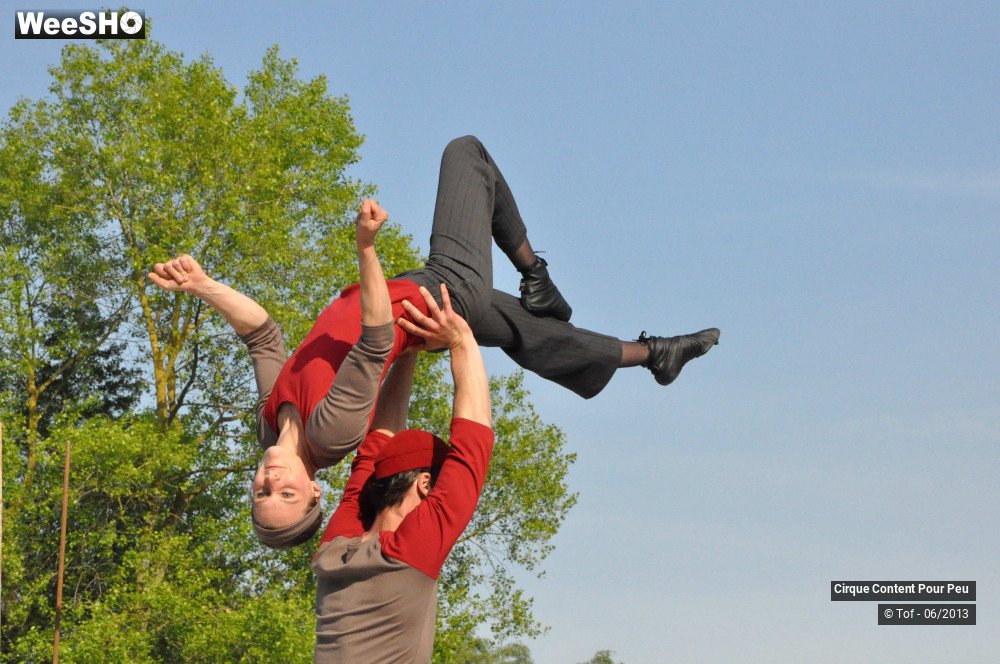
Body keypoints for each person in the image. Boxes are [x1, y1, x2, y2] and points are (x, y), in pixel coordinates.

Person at [148, 135, 719, 548]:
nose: (271, 482)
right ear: (315, 492)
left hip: (417, 306)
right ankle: (534, 271)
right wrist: (366, 248)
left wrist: (201, 285)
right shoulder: (330, 431)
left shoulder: (271, 428)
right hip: (436, 295)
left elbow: (262, 336)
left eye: (261, 493)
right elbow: (376, 341)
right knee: (466, 154)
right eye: (286, 495)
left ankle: (656, 355)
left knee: (533, 335)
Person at [312, 283, 492, 663]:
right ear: (426, 484)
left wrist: (408, 350)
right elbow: (471, 446)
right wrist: (460, 339)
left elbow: (374, 449)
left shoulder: (336, 552)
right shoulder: (407, 552)